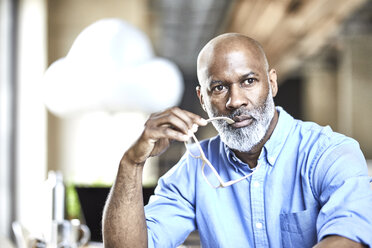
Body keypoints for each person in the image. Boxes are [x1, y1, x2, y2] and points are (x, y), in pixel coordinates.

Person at [102, 33, 372, 248]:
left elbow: (349, 238)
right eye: (219, 87)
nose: (236, 101)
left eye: (249, 81)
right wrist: (132, 162)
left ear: (272, 83)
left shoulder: (331, 153)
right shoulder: (195, 167)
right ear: (202, 100)